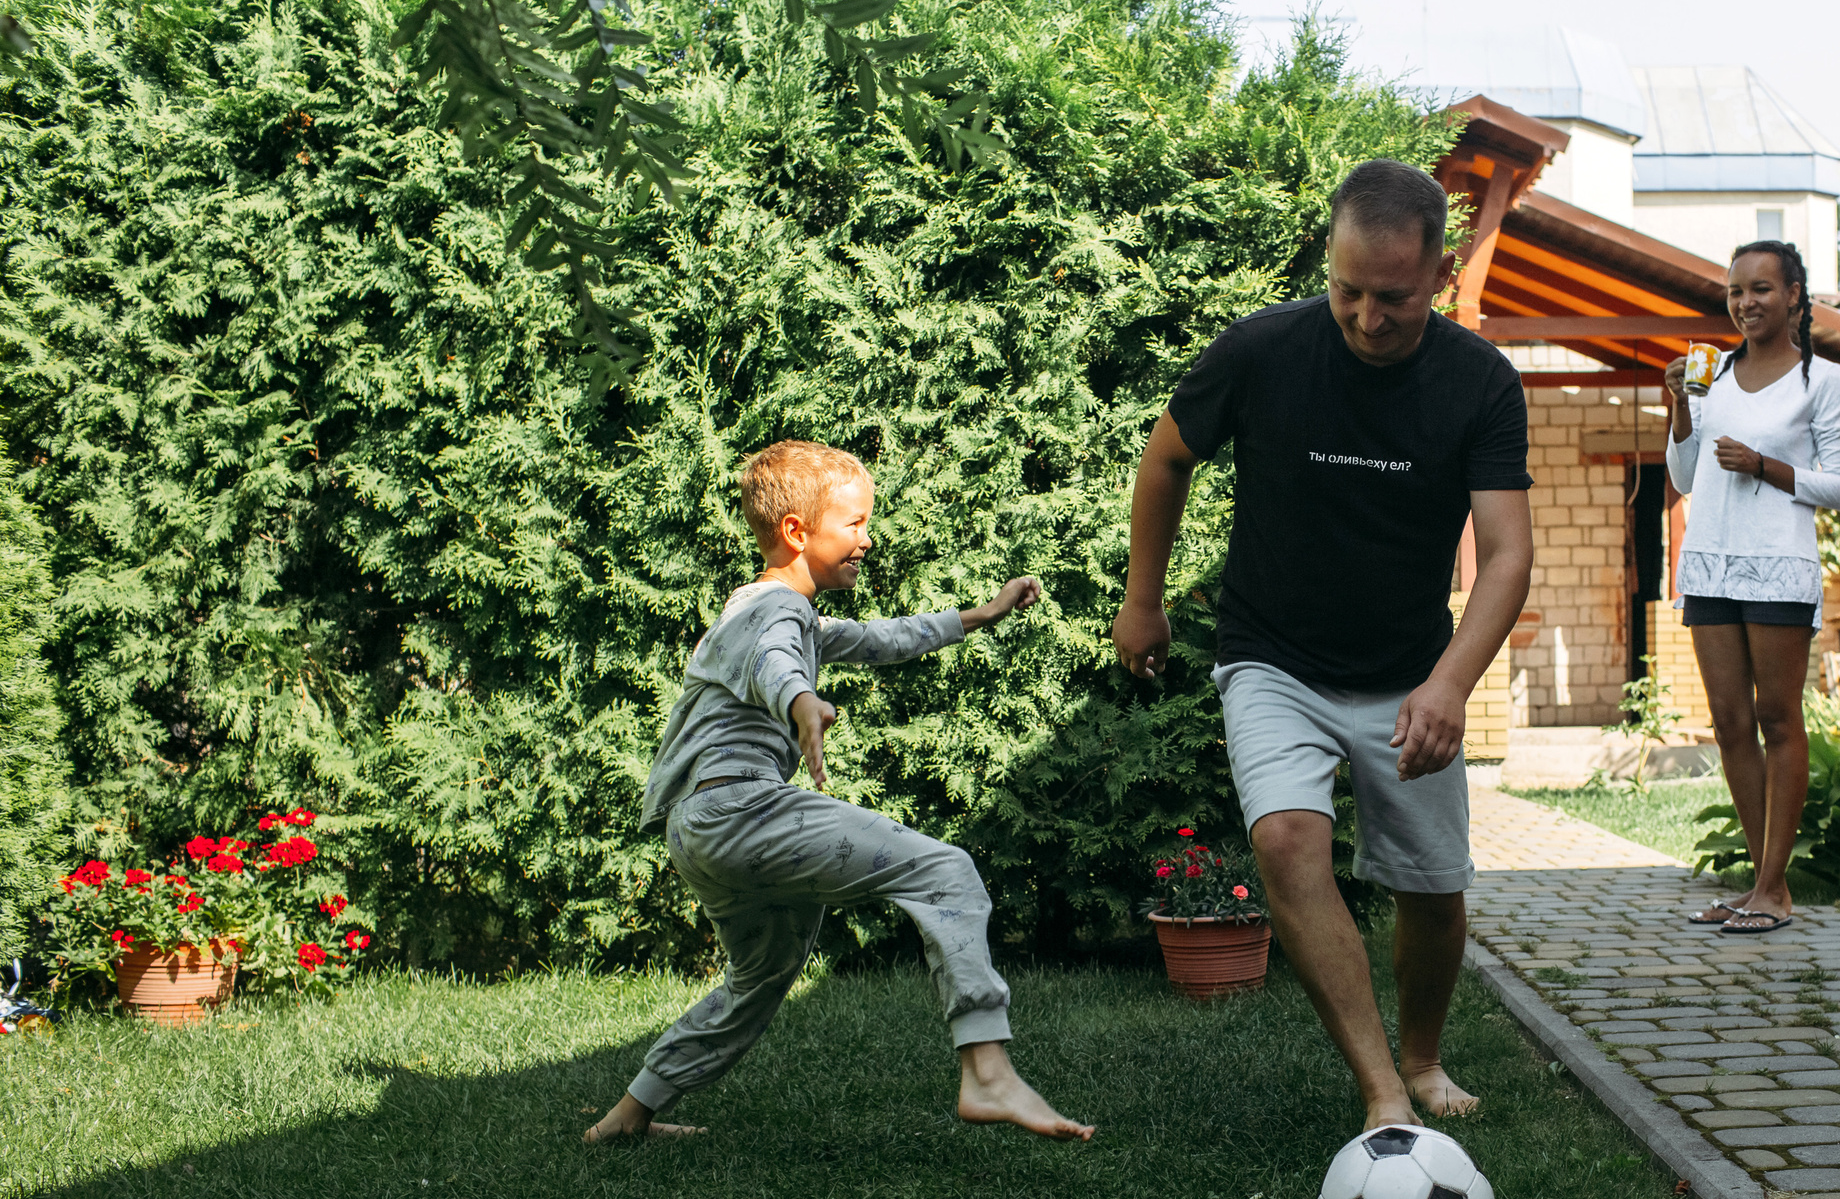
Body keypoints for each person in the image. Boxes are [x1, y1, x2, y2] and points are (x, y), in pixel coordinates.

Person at [1111, 159, 1534, 1129]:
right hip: (1274, 656)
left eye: (1393, 298)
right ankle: (1383, 1092)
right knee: (1286, 838)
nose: (1367, 318)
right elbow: (1167, 455)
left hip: (1408, 671)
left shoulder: (1479, 382)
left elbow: (1508, 555)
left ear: (1439, 275)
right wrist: (1142, 599)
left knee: (1432, 890)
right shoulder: (1261, 349)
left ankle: (1422, 1059)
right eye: (1348, 290)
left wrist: (1449, 685)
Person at [585, 439, 1094, 1145]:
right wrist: (801, 704)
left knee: (758, 979)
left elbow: (881, 638)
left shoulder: (774, 609)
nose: (867, 538)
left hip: (699, 827)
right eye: (854, 523)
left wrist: (981, 614)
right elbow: (776, 663)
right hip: (740, 809)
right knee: (946, 871)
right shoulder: (774, 612)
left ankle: (627, 1116)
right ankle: (987, 1071)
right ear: (797, 531)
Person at [1662, 240, 1840, 936]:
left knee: (1777, 719)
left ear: (1794, 295)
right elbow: (1684, 476)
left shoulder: (1821, 379)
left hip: (1777, 566)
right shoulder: (1711, 374)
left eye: (1761, 289)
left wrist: (1764, 465)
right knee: (1728, 723)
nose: (1746, 302)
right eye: (1736, 290)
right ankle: (1759, 884)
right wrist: (1680, 408)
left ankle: (1775, 889)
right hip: (1709, 563)